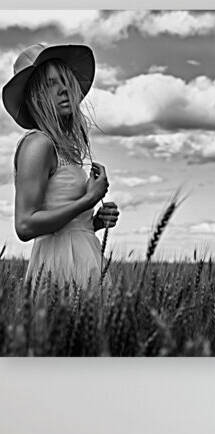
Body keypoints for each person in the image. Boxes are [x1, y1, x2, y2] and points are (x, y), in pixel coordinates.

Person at [1, 42, 119, 288]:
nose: (64, 89)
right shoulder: (38, 144)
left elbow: (66, 227)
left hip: (83, 261)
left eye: (64, 80)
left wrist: (94, 222)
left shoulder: (64, 149)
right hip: (58, 269)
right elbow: (25, 225)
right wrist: (88, 199)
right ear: (34, 96)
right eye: (50, 84)